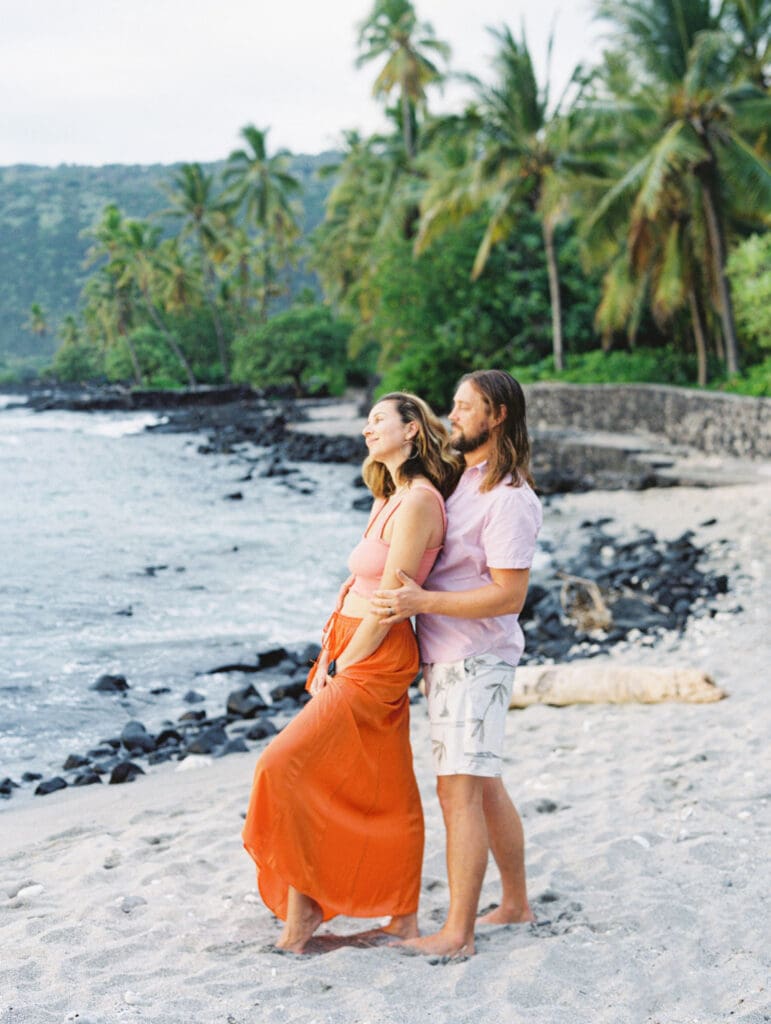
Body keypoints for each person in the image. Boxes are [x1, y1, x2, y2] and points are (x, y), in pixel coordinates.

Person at [242, 392, 460, 953]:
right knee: (378, 782)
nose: (367, 428)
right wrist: (329, 648)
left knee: (283, 764)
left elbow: (389, 600)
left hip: (375, 651)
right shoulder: (389, 494)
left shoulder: (418, 502)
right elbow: (361, 585)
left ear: (412, 430)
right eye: (367, 420)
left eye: (378, 419)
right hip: (349, 641)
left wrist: (344, 661)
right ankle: (389, 914)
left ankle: (309, 911)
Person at [371, 369, 543, 957]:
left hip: (477, 660)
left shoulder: (511, 498)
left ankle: (458, 933)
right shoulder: (466, 481)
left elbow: (509, 595)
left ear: (497, 416)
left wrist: (421, 603)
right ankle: (515, 903)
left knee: (458, 794)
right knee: (484, 784)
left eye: (466, 406)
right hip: (448, 660)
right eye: (453, 404)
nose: (455, 414)